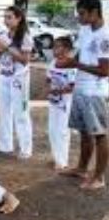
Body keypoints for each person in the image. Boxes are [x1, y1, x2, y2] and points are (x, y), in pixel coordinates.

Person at [60, 0, 109, 190]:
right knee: (84, 131)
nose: (78, 17)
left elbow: (105, 71)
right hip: (81, 88)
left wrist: (75, 64)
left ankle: (99, 177)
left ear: (94, 12)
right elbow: (80, 52)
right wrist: (68, 61)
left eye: (82, 14)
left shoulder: (105, 36)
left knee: (99, 134)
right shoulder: (86, 29)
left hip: (95, 92)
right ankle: (81, 168)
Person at [0, 6, 33, 159]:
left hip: (19, 78)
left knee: (21, 113)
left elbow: (25, 60)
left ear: (18, 18)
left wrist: (8, 46)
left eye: (9, 17)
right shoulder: (2, 34)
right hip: (3, 76)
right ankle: (5, 145)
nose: (6, 20)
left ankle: (25, 148)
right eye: (5, 17)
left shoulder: (25, 37)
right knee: (3, 111)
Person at [46, 37, 77, 171]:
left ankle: (62, 161)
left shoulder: (71, 65)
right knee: (52, 130)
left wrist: (58, 90)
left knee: (63, 131)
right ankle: (56, 156)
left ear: (67, 50)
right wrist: (48, 88)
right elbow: (48, 78)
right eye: (54, 47)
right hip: (54, 102)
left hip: (66, 103)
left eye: (57, 47)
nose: (54, 49)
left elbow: (72, 86)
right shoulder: (53, 63)